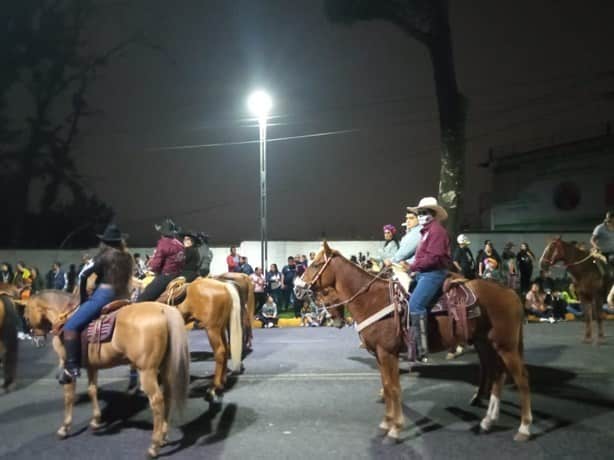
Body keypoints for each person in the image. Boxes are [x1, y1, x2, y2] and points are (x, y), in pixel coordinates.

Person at [58, 223, 134, 384]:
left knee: (70, 326)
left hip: (104, 296)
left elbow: (82, 275)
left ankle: (72, 366)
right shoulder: (128, 257)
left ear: (105, 241)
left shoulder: (102, 256)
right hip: (124, 296)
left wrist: (85, 298)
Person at [407, 197, 451, 363]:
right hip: (423, 273)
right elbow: (422, 257)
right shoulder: (426, 232)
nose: (420, 216)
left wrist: (411, 267)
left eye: (424, 213)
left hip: (433, 273)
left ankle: (421, 348)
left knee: (415, 305)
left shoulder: (437, 232)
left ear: (433, 214)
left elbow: (434, 258)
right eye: (419, 213)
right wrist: (412, 267)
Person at [137, 218, 185, 302]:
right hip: (179, 275)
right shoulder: (180, 244)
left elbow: (155, 265)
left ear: (162, 232)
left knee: (141, 299)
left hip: (166, 277)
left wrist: (152, 268)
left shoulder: (163, 243)